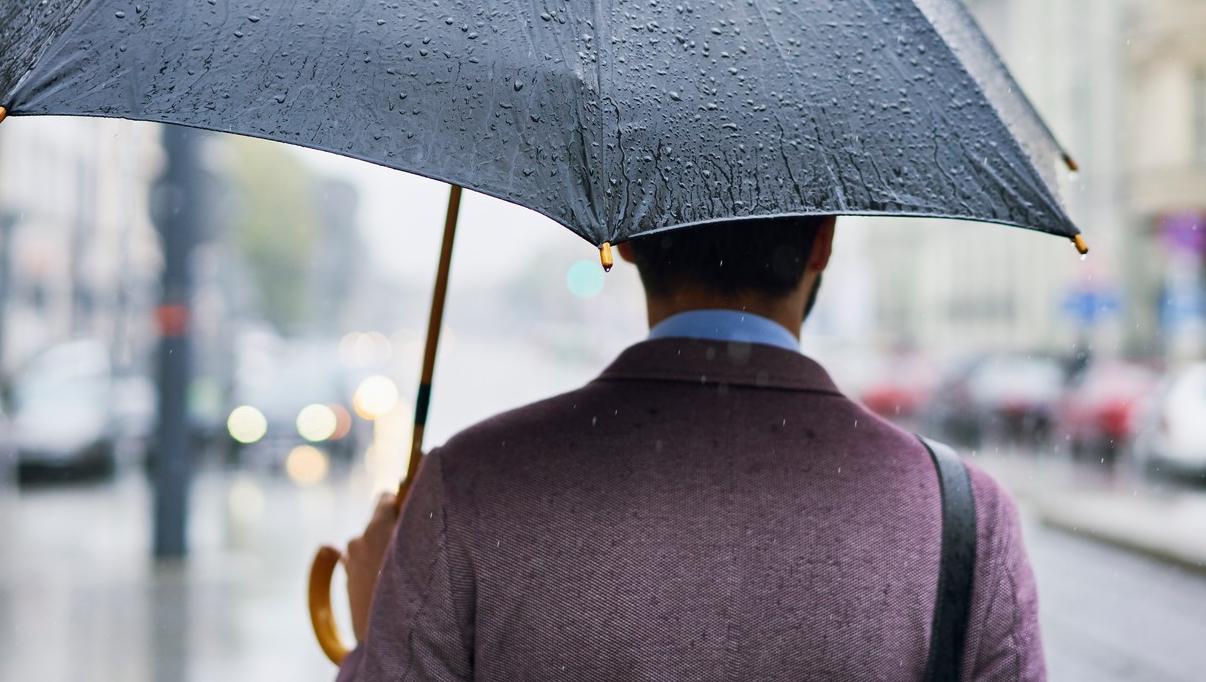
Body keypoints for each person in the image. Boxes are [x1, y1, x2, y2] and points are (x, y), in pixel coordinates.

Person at [337, 215, 1046, 681]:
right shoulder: (966, 521)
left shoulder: (470, 486)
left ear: (634, 239)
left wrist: (380, 633)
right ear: (822, 242)